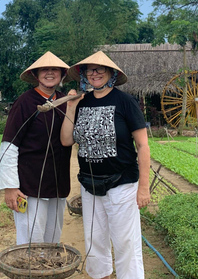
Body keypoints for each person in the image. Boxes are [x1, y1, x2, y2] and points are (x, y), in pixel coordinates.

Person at [60, 51, 150, 279]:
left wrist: (144, 187)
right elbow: (66, 140)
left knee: (125, 243)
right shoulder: (82, 103)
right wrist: (71, 107)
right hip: (90, 185)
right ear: (84, 76)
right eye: (90, 70)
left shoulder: (125, 101)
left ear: (111, 73)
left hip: (122, 184)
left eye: (100, 69)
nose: (95, 73)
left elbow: (142, 146)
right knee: (94, 241)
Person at [0, 51, 72, 245]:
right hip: (30, 187)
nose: (49, 73)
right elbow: (9, 145)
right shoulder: (24, 102)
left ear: (62, 74)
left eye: (54, 69)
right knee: (31, 243)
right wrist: (10, 186)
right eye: (44, 70)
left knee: (52, 241)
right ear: (36, 75)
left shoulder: (65, 103)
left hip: (57, 184)